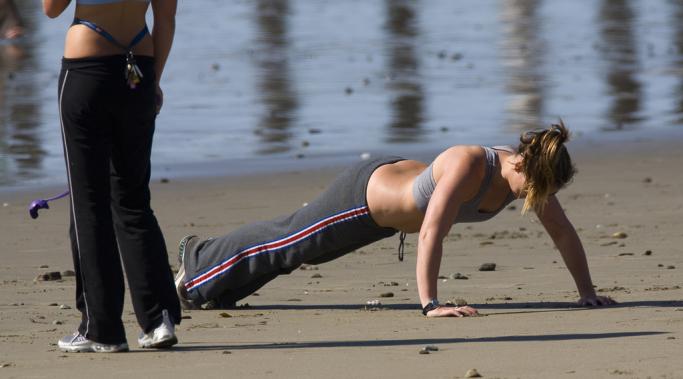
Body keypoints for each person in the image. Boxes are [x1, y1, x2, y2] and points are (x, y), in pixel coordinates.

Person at [175, 122, 616, 317]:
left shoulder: (528, 173)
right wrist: (431, 304)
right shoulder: (470, 165)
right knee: (289, 242)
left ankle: (216, 290)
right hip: (365, 196)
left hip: (385, 216)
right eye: (538, 193)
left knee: (299, 257)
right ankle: (195, 267)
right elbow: (431, 232)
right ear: (523, 168)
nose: (538, 204)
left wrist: (587, 294)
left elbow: (562, 231)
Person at [42, 0, 180, 352]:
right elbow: (166, 18)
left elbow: (51, 8)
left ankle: (100, 327)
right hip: (139, 67)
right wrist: (154, 83)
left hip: (86, 68)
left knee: (88, 203)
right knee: (134, 199)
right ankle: (158, 319)